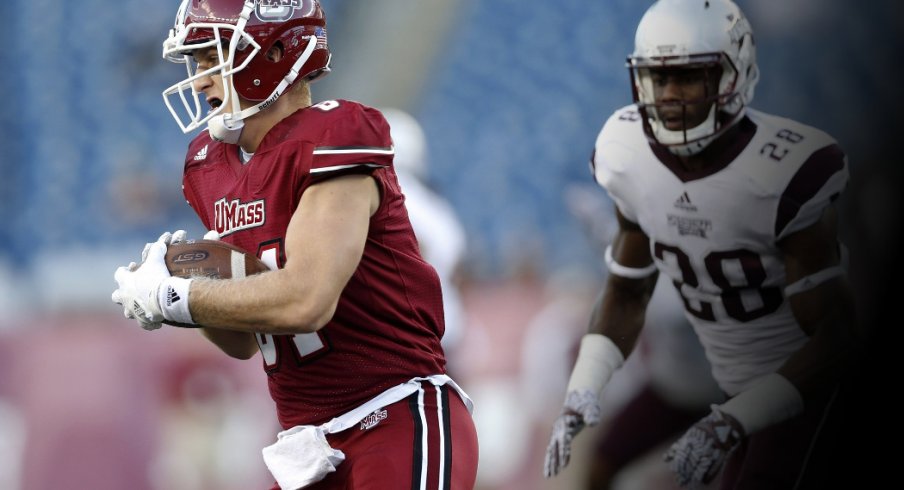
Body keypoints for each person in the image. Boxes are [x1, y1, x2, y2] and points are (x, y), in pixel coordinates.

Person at [110, 1, 478, 489]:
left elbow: (307, 302)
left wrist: (175, 297)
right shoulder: (208, 166)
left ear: (277, 49)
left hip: (393, 415)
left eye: (210, 58)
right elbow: (243, 341)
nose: (200, 81)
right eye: (196, 63)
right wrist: (180, 289)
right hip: (309, 445)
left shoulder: (335, 133)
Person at [543, 0, 860, 488]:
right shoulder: (625, 154)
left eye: (689, 77)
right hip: (714, 390)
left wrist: (735, 419)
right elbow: (627, 290)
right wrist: (585, 384)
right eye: (658, 79)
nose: (669, 96)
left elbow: (835, 336)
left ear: (734, 76)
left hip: (800, 394)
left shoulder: (786, 171)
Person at [380, 108, 469, 361]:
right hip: (446, 330)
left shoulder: (385, 198)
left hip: (404, 336)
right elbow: (458, 271)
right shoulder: (439, 209)